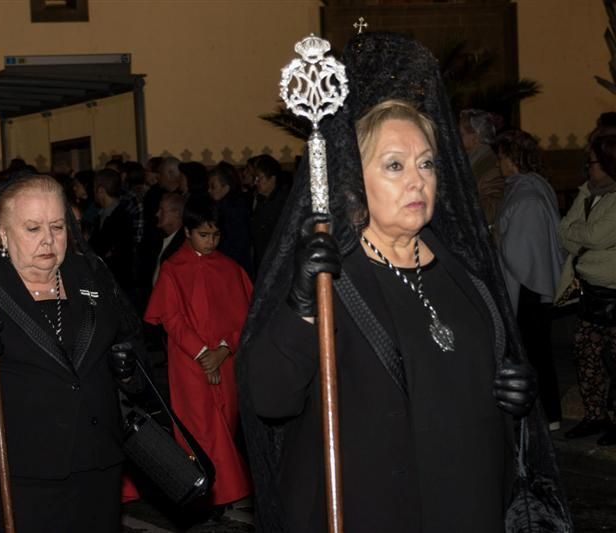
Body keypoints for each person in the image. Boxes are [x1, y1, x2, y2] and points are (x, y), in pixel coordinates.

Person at [237, 33, 570, 532]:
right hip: (376, 510)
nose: (418, 180)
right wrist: (301, 305)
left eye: (427, 163)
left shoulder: (465, 273)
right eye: (394, 166)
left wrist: (514, 397)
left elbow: (483, 374)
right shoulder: (331, 279)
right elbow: (269, 399)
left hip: (469, 505)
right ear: (354, 179)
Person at [0, 174, 146, 532]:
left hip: (96, 463)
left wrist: (130, 371)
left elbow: (137, 347)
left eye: (57, 226)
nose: (48, 239)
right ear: (1, 234)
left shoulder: (92, 276)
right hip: (18, 469)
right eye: (32, 228)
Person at [144, 197, 253, 517]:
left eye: (215, 235)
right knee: (203, 429)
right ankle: (214, 492)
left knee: (226, 421)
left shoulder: (230, 268)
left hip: (226, 358)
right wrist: (204, 354)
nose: (210, 241)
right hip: (189, 363)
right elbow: (172, 318)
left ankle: (222, 492)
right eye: (204, 234)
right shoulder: (173, 269)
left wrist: (222, 350)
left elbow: (244, 317)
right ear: (188, 232)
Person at [493, 129, 564, 429]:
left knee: (536, 354)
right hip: (532, 284)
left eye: (502, 157)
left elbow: (519, 251)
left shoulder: (526, 195)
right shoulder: (533, 187)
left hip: (528, 288)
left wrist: (495, 237)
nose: (499, 163)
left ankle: (548, 415)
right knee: (537, 353)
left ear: (512, 158)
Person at [558, 133, 616, 445]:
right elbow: (563, 231)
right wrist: (582, 235)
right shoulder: (587, 193)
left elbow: (594, 238)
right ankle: (595, 416)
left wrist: (582, 238)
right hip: (592, 292)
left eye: (591, 163)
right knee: (587, 356)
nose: (587, 169)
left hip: (613, 292)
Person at [460, 108, 504, 227]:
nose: (458, 138)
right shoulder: (471, 160)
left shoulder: (491, 164)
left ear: (475, 136)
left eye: (462, 134)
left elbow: (492, 208)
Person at [208, 162, 253, 276]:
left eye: (213, 186)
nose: (209, 191)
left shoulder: (232, 208)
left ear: (226, 187)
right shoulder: (227, 205)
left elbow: (236, 242)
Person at [250, 154, 288, 272]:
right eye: (255, 178)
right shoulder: (261, 200)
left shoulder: (282, 202)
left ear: (272, 179)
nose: (256, 182)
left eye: (259, 178)